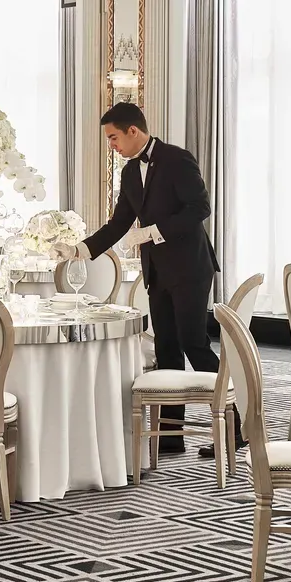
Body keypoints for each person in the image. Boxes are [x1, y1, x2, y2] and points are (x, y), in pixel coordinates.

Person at [79, 101, 223, 456]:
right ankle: (172, 435)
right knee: (167, 348)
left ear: (133, 131)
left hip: (190, 267)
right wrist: (81, 250)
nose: (111, 144)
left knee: (195, 345)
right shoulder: (129, 173)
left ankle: (238, 424)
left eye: (114, 137)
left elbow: (200, 208)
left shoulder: (177, 158)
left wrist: (155, 231)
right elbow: (119, 223)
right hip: (157, 271)